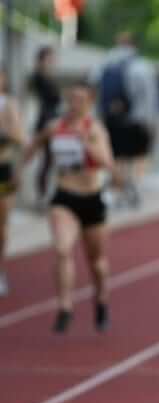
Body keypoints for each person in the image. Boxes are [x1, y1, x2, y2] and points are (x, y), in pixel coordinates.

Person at [24, 80, 115, 333]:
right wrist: (21, 165)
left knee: (96, 260)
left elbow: (108, 162)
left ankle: (101, 299)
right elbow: (35, 143)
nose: (74, 104)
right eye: (71, 98)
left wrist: (86, 142)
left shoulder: (95, 129)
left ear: (90, 102)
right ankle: (65, 306)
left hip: (92, 199)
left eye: (80, 99)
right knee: (63, 250)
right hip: (64, 196)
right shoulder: (55, 127)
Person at [94, 32, 159, 208]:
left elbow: (94, 88)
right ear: (135, 45)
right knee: (138, 156)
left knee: (118, 157)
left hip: (112, 119)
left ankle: (120, 190)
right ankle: (133, 187)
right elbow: (150, 96)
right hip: (136, 120)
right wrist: (152, 122)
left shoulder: (106, 62)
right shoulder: (142, 66)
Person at [0, 68, 26, 297]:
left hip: (3, 170)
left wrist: (4, 133)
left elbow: (20, 137)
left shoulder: (8, 104)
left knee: (1, 224)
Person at [29, 46, 61, 199]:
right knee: (47, 158)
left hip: (51, 117)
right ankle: (41, 194)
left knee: (49, 158)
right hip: (47, 119)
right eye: (49, 58)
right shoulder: (40, 76)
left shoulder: (46, 76)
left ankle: (44, 192)